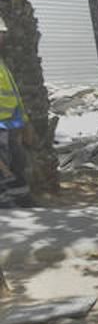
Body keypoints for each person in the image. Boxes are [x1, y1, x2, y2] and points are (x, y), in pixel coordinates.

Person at [0, 17, 35, 208]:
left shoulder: (1, 62)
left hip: (11, 125)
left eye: (2, 34)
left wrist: (25, 121)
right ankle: (6, 208)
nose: (1, 38)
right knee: (3, 170)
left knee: (17, 164)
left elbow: (13, 94)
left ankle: (24, 202)